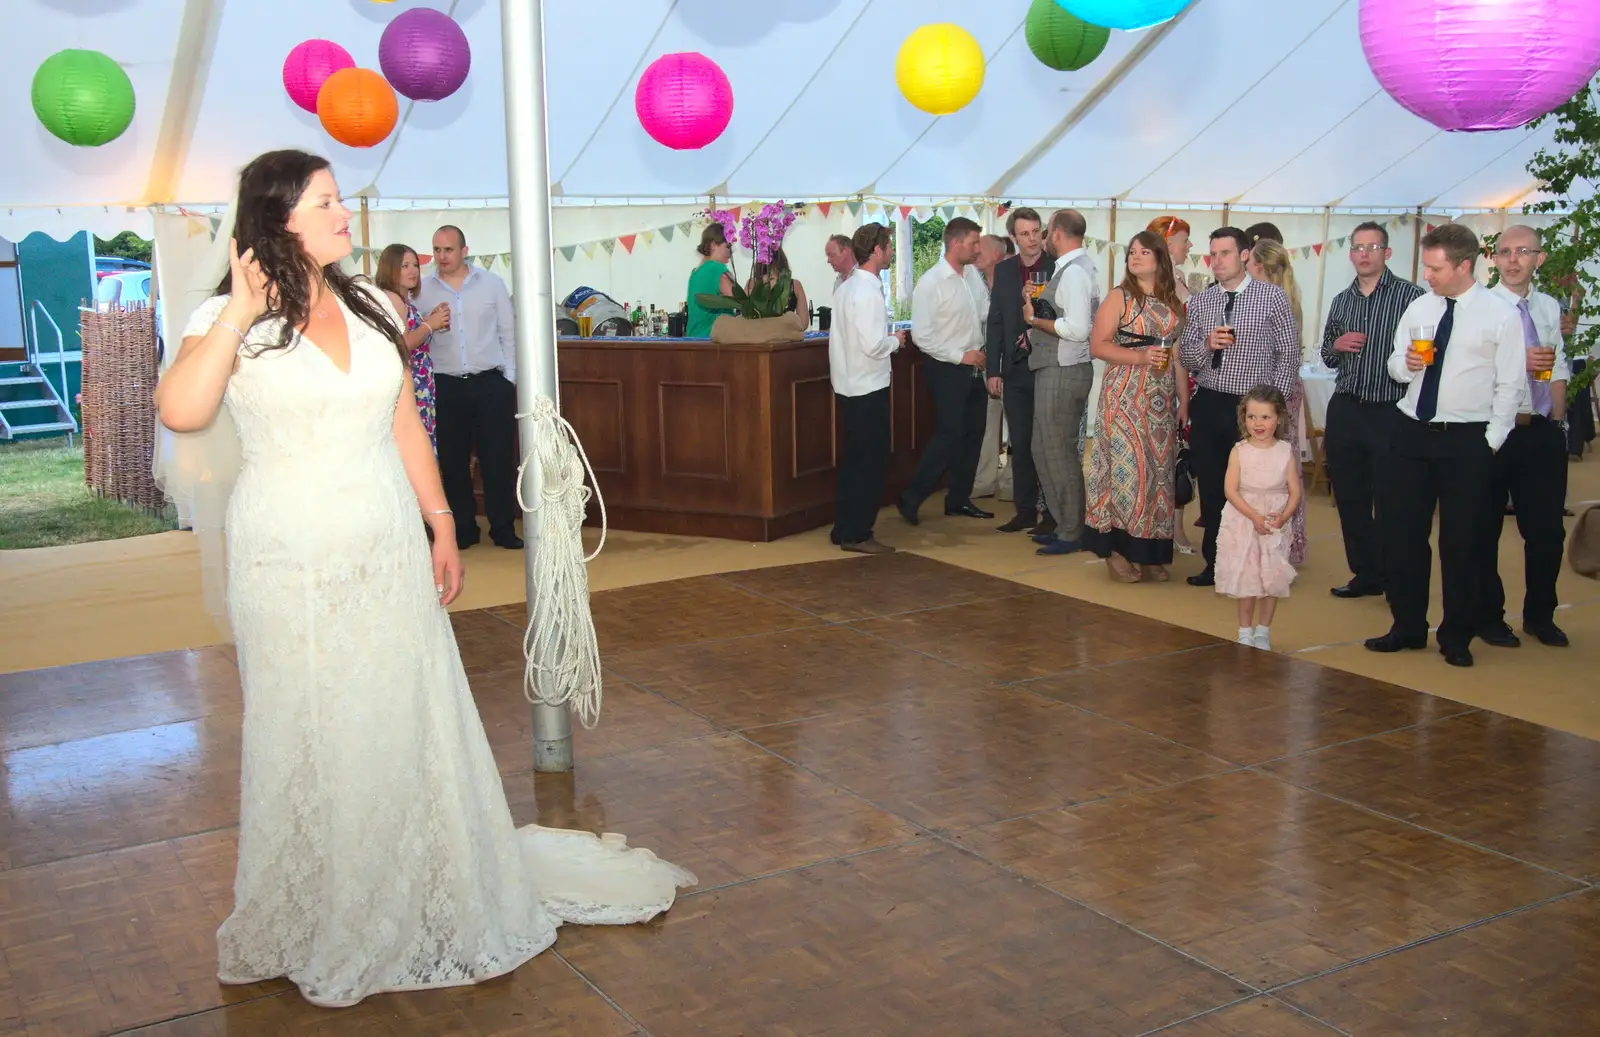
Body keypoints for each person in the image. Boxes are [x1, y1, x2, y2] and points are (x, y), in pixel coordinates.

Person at [153, 150, 693, 1008]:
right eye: (326, 201)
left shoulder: (371, 303)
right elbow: (182, 409)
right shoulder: (226, 318)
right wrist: (237, 313)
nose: (344, 213)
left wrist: (442, 522)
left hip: (382, 543)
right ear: (277, 218)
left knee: (396, 710)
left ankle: (414, 880)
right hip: (287, 557)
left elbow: (403, 415)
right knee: (309, 724)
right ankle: (324, 904)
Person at [1365, 224, 1525, 668]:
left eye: (1436, 268)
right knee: (1402, 536)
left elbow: (1511, 386)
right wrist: (1406, 363)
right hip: (1411, 432)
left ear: (1463, 265)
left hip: (1468, 440)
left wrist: (1489, 443)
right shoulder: (1419, 306)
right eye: (1427, 266)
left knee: (1463, 543)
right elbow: (1395, 365)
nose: (1428, 275)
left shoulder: (1499, 315)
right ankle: (1408, 627)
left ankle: (1456, 635)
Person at [1177, 227, 1300, 586]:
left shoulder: (1272, 298)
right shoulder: (1202, 301)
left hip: (1254, 407)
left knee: (1259, 488)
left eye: (1224, 254)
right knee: (1215, 487)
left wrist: (1270, 409)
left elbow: (1288, 355)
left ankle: (1262, 563)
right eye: (1212, 254)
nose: (1216, 261)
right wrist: (1206, 344)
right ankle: (1215, 563)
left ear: (1245, 255)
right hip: (1211, 403)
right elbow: (1186, 356)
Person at [1318, 222, 1425, 599]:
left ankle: (1396, 577)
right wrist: (1338, 346)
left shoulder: (1412, 297)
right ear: (1350, 254)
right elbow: (1326, 354)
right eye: (1357, 247)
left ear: (1387, 253)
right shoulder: (1341, 300)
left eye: (1372, 247)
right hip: (1346, 407)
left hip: (1390, 409)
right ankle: (1366, 573)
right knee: (1350, 496)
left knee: (1393, 498)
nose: (1364, 254)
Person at [1477, 225, 1571, 648]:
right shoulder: (1478, 307)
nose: (1512, 260)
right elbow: (1469, 371)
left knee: (1547, 531)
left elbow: (1556, 365)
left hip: (1541, 433)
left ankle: (1540, 614)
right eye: (1504, 252)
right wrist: (1516, 361)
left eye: (1522, 252)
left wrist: (1559, 418)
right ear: (1493, 259)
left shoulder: (1548, 307)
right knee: (1483, 529)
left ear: (1540, 258)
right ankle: (1489, 617)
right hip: (1494, 430)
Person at [1082, 230, 1184, 582]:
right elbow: (1098, 345)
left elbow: (1178, 354)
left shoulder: (1172, 299)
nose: (1135, 257)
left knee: (1159, 475)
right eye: (1131, 252)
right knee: (1129, 474)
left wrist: (1183, 401)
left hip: (1161, 398)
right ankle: (1116, 551)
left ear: (1159, 258)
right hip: (1125, 395)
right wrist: (1139, 356)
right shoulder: (1120, 297)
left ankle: (1150, 552)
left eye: (1144, 252)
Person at [416, 225, 521, 550]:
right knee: (452, 461)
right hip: (444, 386)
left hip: (490, 383)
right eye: (436, 250)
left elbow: (509, 334)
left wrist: (509, 379)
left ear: (464, 250)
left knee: (498, 459)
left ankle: (503, 527)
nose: (441, 256)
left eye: (448, 249)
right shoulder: (422, 290)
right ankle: (463, 527)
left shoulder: (492, 284)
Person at [901, 217, 991, 524]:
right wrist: (960, 356)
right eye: (974, 242)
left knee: (973, 434)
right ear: (955, 244)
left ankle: (958, 498)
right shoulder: (931, 282)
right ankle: (911, 498)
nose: (978, 249)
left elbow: (984, 313)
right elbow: (922, 336)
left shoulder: (972, 277)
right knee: (950, 433)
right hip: (947, 368)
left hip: (975, 365)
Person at [1020, 209, 1097, 555]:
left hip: (1064, 369)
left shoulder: (1075, 273)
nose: (1043, 238)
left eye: (1047, 231)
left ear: (1058, 233)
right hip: (1056, 367)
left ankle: (1071, 530)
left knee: (1059, 451)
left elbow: (1078, 329)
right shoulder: (1073, 269)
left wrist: (1036, 320)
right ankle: (1062, 520)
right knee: (1042, 447)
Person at [829, 223, 904, 555]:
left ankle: (843, 526)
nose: (891, 252)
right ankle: (859, 533)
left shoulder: (846, 288)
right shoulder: (868, 291)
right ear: (877, 251)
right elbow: (874, 344)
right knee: (871, 463)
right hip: (868, 386)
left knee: (853, 460)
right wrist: (896, 341)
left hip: (847, 384)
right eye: (888, 246)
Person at [1215, 385, 1302, 650]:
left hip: (1274, 520)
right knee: (1247, 578)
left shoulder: (1285, 452)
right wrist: (1253, 516)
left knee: (1270, 578)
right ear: (1244, 418)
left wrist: (1283, 517)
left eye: (1265, 417)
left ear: (1278, 419)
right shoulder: (1239, 451)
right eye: (1252, 417)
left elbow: (1295, 492)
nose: (1258, 423)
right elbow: (1230, 489)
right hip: (1244, 517)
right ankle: (1244, 631)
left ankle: (1263, 631)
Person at [985, 207, 1054, 534]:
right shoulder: (1005, 270)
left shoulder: (1057, 267)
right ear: (1013, 237)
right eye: (1025, 233)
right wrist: (993, 370)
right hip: (1013, 370)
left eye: (1036, 231)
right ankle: (1025, 510)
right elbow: (995, 322)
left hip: (1049, 368)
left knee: (1049, 442)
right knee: (1021, 442)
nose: (1032, 239)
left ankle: (1053, 513)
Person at [1245, 239, 1309, 566]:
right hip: (1278, 390)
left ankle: (1278, 542)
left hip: (1274, 392)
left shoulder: (1273, 299)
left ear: (1257, 266)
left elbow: (1285, 354)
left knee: (1276, 468)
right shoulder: (1290, 294)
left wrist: (1273, 400)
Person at [1149, 216, 1195, 555]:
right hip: (1164, 375)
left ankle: (1174, 526)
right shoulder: (1161, 284)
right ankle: (1164, 527)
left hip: (1185, 374)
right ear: (1166, 243)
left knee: (1179, 457)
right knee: (1165, 456)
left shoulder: (1178, 279)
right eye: (1183, 239)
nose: (1189, 246)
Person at [374, 244, 450, 451]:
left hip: (421, 382)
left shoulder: (402, 299)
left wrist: (427, 320)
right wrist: (429, 325)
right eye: (404, 265)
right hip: (411, 382)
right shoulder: (392, 299)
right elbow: (402, 344)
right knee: (414, 446)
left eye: (415, 265)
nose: (412, 270)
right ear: (390, 268)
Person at [685, 223, 737, 337]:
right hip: (713, 339)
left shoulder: (695, 272)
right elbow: (739, 300)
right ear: (713, 245)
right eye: (727, 246)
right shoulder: (716, 268)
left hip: (694, 338)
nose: (730, 252)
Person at [746, 246, 808, 318]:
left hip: (759, 328)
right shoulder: (794, 285)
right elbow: (803, 323)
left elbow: (745, 315)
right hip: (785, 328)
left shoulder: (752, 283)